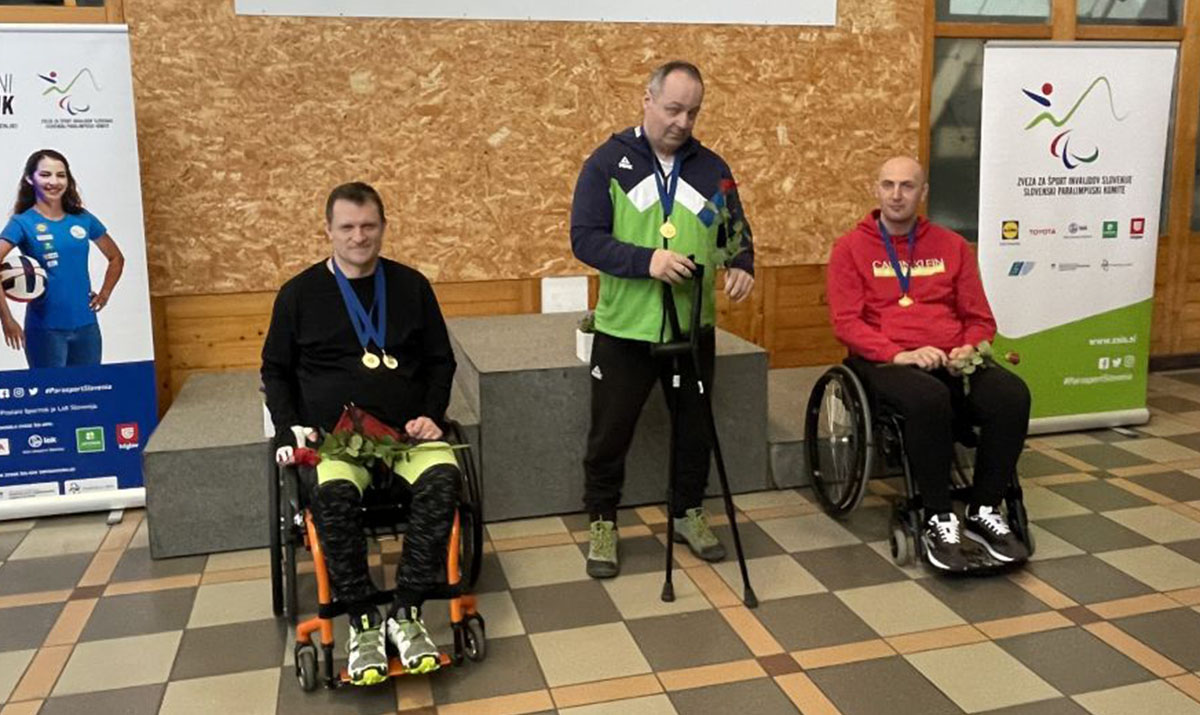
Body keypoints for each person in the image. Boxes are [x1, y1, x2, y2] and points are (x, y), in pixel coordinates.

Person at [262, 182, 459, 686]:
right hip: (334, 442)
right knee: (331, 497)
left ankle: (406, 611)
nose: (359, 236)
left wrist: (432, 414)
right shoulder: (298, 294)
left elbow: (441, 361)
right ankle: (364, 619)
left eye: (369, 225)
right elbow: (275, 371)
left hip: (408, 436)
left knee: (444, 481)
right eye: (347, 227)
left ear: (383, 227)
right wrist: (289, 428)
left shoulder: (412, 286)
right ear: (328, 230)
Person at [570, 60, 755, 579]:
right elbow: (585, 239)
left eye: (692, 112)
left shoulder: (711, 169)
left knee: (694, 430)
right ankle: (602, 519)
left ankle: (688, 509)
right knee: (609, 435)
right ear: (647, 100)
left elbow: (733, 233)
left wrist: (742, 264)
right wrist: (646, 260)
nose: (682, 121)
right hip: (624, 329)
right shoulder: (607, 163)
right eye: (673, 109)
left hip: (691, 329)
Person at [826, 156, 1031, 572]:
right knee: (928, 398)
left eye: (907, 186)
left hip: (952, 361)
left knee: (1012, 395)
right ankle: (939, 517)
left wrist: (968, 349)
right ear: (876, 189)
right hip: (886, 363)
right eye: (888, 185)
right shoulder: (850, 249)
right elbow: (846, 323)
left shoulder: (951, 245)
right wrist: (897, 353)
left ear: (923, 193)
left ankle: (983, 509)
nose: (896, 195)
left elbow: (979, 318)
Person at [0, 149, 125, 368]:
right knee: (51, 390)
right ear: (30, 178)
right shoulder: (22, 223)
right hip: (45, 329)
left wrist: (104, 294)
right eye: (45, 174)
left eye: (61, 175)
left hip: (87, 327)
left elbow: (116, 258)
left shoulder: (82, 218)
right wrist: (7, 319)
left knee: (89, 388)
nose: (54, 182)